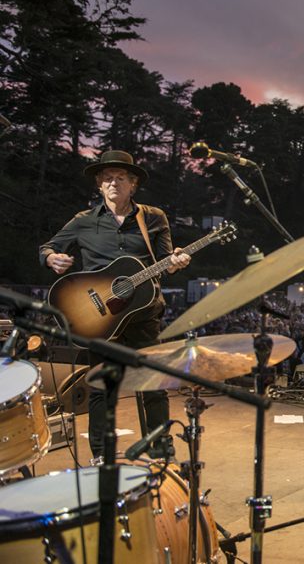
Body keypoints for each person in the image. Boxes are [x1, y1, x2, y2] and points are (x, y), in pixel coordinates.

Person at [39, 150, 191, 460]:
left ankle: (161, 450)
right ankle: (101, 454)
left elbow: (164, 260)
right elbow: (48, 246)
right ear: (99, 184)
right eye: (106, 178)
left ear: (133, 184)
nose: (113, 183)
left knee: (152, 383)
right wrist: (50, 257)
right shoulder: (83, 221)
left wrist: (174, 263)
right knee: (101, 388)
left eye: (120, 178)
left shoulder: (153, 217)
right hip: (100, 317)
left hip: (142, 314)